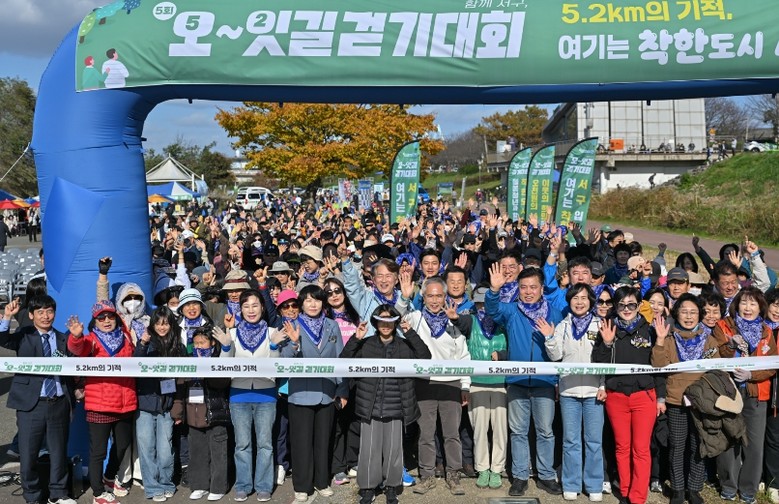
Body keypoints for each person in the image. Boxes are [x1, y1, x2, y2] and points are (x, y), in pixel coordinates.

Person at [340, 305, 432, 504]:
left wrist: (410, 333)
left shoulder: (404, 345)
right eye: (381, 320)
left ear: (396, 323)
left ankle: (391, 486)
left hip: (396, 405)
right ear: (375, 323)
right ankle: (367, 488)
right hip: (370, 406)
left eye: (390, 321)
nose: (385, 325)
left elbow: (426, 358)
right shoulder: (366, 345)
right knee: (369, 450)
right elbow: (343, 361)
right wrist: (356, 338)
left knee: (393, 451)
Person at [486, 266, 563, 497]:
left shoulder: (554, 313)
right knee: (518, 431)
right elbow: (492, 310)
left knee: (545, 431)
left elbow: (560, 351)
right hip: (517, 381)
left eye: (533, 287)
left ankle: (546, 475)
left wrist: (556, 381)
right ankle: (520, 476)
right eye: (523, 287)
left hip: (544, 382)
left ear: (542, 289)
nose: (528, 292)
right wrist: (494, 290)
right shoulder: (512, 311)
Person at [0, 296, 77, 504]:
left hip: (58, 402)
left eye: (49, 311)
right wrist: (7, 317)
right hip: (31, 404)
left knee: (58, 453)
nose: (46, 316)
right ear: (31, 315)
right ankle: (32, 497)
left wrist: (77, 338)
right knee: (28, 455)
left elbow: (76, 361)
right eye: (40, 312)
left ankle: (58, 494)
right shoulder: (23, 335)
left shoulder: (63, 338)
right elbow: (2, 340)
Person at [212, 289, 285, 502]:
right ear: (240, 310)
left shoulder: (272, 332)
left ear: (262, 307)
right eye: (246, 306)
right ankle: (243, 485)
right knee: (242, 444)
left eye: (255, 305)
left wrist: (274, 345)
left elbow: (276, 367)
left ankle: (263, 486)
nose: (251, 310)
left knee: (265, 444)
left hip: (266, 396)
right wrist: (226, 346)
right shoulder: (232, 333)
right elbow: (224, 367)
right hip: (239, 396)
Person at [592, 286, 663, 504]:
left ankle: (638, 496)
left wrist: (660, 397)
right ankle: (625, 491)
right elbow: (598, 363)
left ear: (639, 305)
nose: (626, 309)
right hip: (616, 396)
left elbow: (660, 367)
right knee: (622, 447)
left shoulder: (650, 330)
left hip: (644, 395)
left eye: (631, 304)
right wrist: (606, 343)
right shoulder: (608, 327)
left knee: (641, 449)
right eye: (621, 305)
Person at [280, 285, 349, 502]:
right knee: (301, 442)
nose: (313, 304)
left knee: (323, 440)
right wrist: (294, 343)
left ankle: (322, 481)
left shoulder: (331, 325)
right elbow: (283, 362)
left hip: (327, 392)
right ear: (301, 304)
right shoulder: (292, 325)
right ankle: (302, 485)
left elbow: (340, 359)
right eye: (308, 300)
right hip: (300, 393)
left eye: (317, 300)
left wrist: (342, 389)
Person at [651, 294, 720, 504]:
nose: (689, 317)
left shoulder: (709, 340)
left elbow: (715, 370)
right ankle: (678, 489)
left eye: (693, 312)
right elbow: (658, 365)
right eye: (684, 312)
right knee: (677, 446)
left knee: (698, 445)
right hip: (676, 401)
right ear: (676, 314)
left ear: (699, 315)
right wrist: (660, 340)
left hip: (701, 403)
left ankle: (695, 488)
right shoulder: (669, 339)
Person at [67, 300, 138, 504]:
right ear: (95, 321)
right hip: (100, 403)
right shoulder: (91, 340)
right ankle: (98, 493)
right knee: (98, 451)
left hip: (125, 401)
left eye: (110, 316)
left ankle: (108, 478)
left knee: (122, 445)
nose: (106, 321)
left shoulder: (126, 337)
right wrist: (76, 336)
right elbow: (78, 349)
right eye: (101, 318)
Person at [406, 277, 471, 496]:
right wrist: (404, 297)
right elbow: (396, 317)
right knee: (426, 434)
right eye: (430, 296)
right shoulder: (416, 318)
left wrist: (465, 385)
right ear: (423, 297)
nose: (434, 300)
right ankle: (427, 476)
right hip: (424, 383)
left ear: (445, 297)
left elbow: (463, 356)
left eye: (439, 296)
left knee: (452, 434)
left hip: (451, 384)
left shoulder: (454, 321)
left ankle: (453, 474)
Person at [712, 287, 777, 504]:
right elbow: (715, 353)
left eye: (753, 303)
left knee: (754, 444)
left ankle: (748, 489)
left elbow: (772, 364)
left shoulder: (766, 331)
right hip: (729, 391)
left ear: (760, 307)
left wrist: (752, 375)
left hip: (756, 393)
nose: (748, 308)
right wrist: (730, 345)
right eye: (744, 303)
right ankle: (728, 485)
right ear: (736, 305)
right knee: (729, 440)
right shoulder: (723, 326)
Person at [541, 283, 604, 502]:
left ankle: (594, 484)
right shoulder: (563, 326)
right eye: (575, 298)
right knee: (570, 440)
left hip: (594, 392)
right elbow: (555, 356)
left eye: (584, 298)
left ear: (591, 301)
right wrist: (549, 338)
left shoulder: (600, 325)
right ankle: (571, 483)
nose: (579, 302)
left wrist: (603, 386)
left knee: (594, 441)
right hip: (568, 391)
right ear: (569, 301)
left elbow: (606, 360)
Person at [173, 327, 231, 501]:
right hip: (194, 413)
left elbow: (222, 383)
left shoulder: (218, 359)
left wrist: (206, 369)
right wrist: (178, 411)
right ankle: (199, 485)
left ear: (212, 343)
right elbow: (181, 387)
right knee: (197, 452)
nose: (199, 346)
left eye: (202, 342)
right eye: (196, 343)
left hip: (215, 413)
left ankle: (218, 487)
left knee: (218, 452)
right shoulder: (189, 361)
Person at [134, 307, 185, 501]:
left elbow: (182, 380)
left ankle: (166, 483)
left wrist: (177, 407)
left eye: (165, 323)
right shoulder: (146, 344)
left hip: (166, 406)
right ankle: (152, 488)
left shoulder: (178, 348)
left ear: (171, 325)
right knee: (147, 449)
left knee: (165, 451)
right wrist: (142, 343)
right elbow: (134, 365)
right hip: (145, 405)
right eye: (158, 323)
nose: (162, 327)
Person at [461, 286, 507, 490]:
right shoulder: (470, 322)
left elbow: (517, 347)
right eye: (480, 303)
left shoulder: (504, 323)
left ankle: (497, 469)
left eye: (486, 303)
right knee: (479, 430)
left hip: (500, 383)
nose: (483, 307)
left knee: (500, 430)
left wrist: (503, 355)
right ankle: (482, 468)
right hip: (477, 383)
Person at [324, 277, 362, 485]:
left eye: (337, 290)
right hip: (335, 375)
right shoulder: (324, 317)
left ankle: (353, 461)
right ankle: (338, 467)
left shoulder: (356, 314)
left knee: (355, 420)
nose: (334, 295)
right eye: (329, 292)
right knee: (338, 423)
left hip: (356, 373)